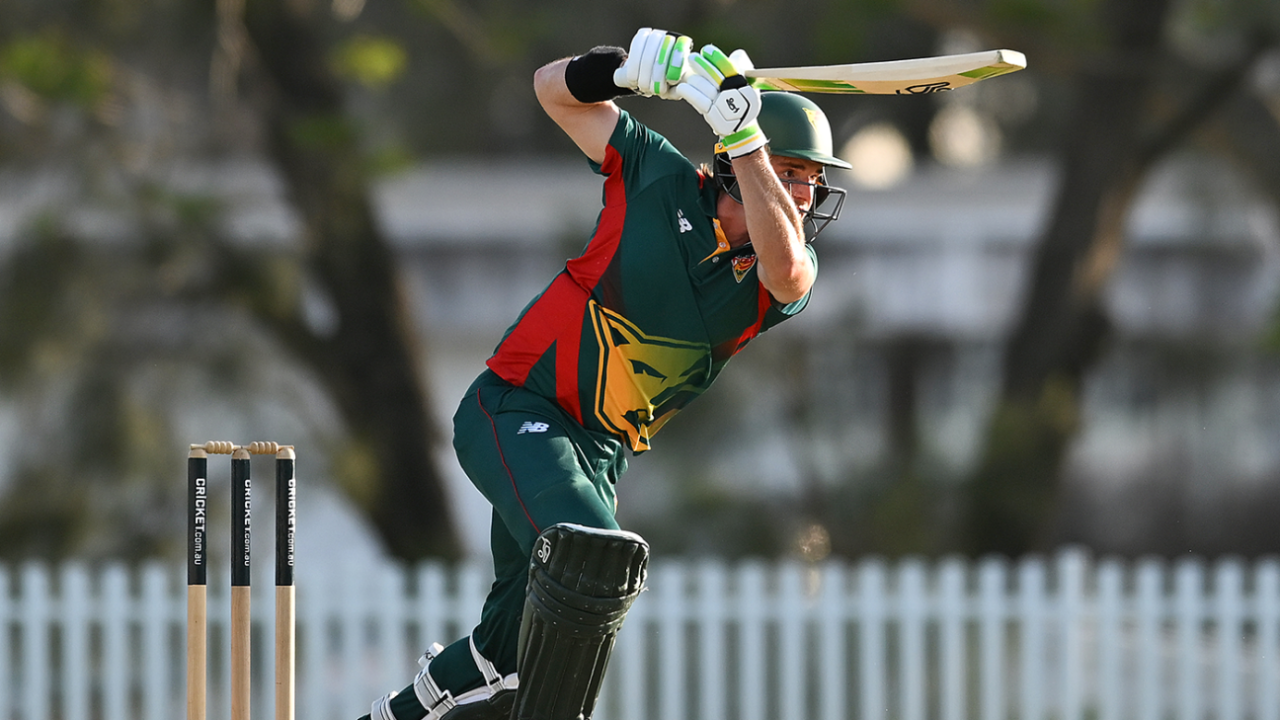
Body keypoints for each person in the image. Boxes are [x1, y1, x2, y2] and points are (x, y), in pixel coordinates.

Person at [361, 27, 850, 720]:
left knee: (506, 650)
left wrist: (750, 142)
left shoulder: (778, 278)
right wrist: (630, 72)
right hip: (514, 410)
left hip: (596, 454)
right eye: (793, 174)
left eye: (807, 182)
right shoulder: (656, 175)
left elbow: (788, 266)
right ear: (735, 166)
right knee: (597, 560)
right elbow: (551, 91)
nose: (802, 196)